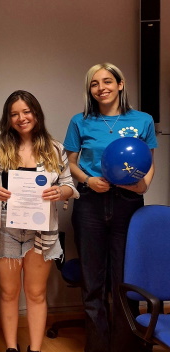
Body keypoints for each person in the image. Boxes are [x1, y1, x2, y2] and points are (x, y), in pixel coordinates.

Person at [63, 63, 157, 352]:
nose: (101, 87)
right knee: (92, 282)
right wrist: (89, 180)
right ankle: (98, 345)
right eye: (94, 83)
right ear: (89, 90)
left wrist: (142, 186)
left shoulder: (143, 120)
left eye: (107, 81)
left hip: (128, 204)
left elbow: (148, 161)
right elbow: (71, 163)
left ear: (120, 84)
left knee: (125, 281)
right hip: (90, 204)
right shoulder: (80, 121)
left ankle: (126, 345)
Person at [0, 90, 78, 352]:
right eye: (14, 114)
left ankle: (35, 349)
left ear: (36, 113)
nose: (21, 118)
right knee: (8, 293)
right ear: (8, 118)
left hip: (41, 232)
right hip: (5, 230)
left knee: (35, 294)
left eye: (26, 111)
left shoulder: (55, 148)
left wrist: (61, 192)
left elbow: (69, 184)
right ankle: (12, 347)